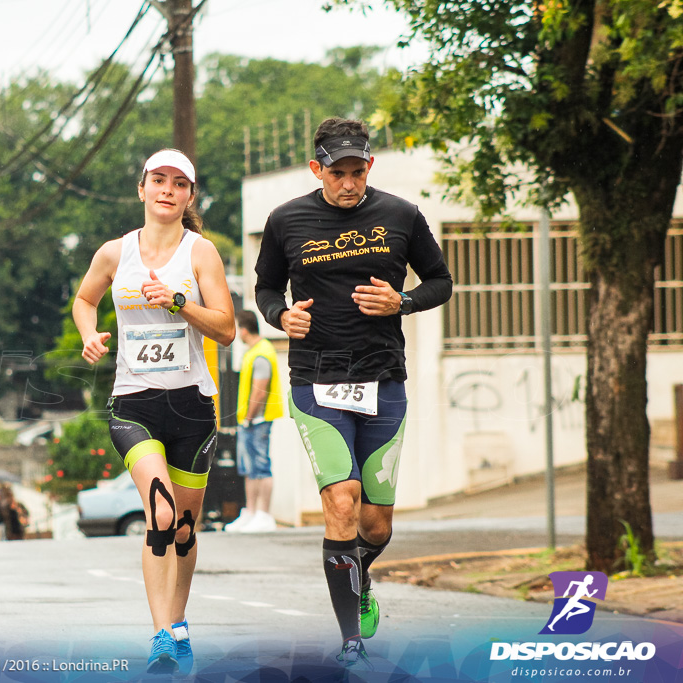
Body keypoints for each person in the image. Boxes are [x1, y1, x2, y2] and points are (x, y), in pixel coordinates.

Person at [254, 119, 452, 667]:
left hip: (383, 379)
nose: (348, 183)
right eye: (337, 173)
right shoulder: (286, 220)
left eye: (357, 171)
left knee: (375, 522)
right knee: (341, 502)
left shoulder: (401, 215)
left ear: (370, 167)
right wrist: (280, 315)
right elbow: (266, 287)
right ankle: (351, 641)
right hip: (315, 381)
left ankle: (360, 576)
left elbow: (441, 280)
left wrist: (404, 302)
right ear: (316, 169)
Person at [74, 148, 234, 675]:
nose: (167, 190)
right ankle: (162, 633)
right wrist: (88, 335)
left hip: (192, 405)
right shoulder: (115, 253)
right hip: (134, 404)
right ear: (141, 189)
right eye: (158, 180)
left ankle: (177, 624)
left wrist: (176, 302)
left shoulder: (201, 253)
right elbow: (84, 299)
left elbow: (226, 329)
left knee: (184, 527)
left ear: (189, 196)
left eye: (178, 183)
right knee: (160, 513)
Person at [224, 309, 283, 533]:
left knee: (260, 466)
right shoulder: (253, 351)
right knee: (249, 468)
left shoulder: (261, 352)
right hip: (250, 421)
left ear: (244, 329)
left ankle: (264, 515)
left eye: (238, 327)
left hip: (257, 421)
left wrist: (248, 418)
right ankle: (250, 512)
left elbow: (260, 390)